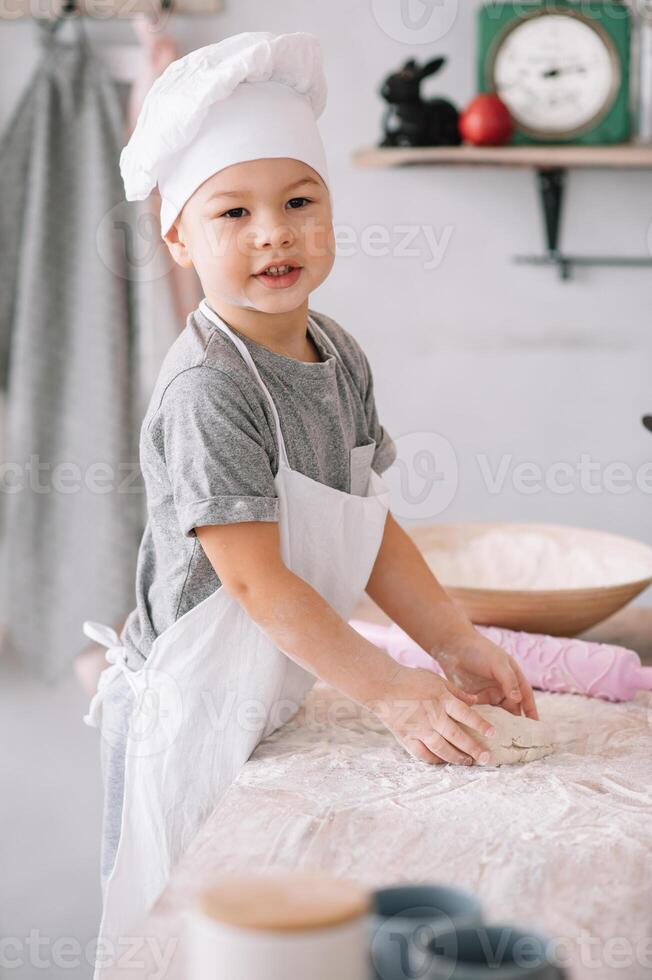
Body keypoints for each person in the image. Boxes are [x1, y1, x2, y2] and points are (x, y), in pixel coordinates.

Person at [81, 30, 538, 971]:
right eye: (233, 212)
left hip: (270, 695)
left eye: (298, 201)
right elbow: (258, 587)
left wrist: (451, 640)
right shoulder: (211, 388)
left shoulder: (338, 352)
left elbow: (364, 529)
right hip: (194, 716)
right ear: (178, 236)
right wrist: (394, 697)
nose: (273, 233)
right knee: (184, 944)